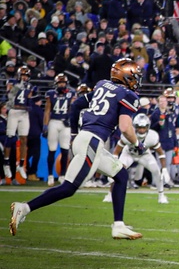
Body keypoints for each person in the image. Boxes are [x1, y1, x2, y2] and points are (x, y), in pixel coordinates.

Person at [10, 58, 145, 240]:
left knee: (121, 174)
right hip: (92, 141)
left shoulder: (103, 85)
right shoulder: (129, 95)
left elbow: (77, 104)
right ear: (127, 77)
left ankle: (119, 226)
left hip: (86, 139)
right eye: (135, 77)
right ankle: (24, 208)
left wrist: (74, 134)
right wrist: (137, 144)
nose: (137, 80)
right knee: (68, 188)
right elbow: (125, 127)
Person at [108, 112, 169, 204]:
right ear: (135, 127)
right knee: (117, 171)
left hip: (144, 155)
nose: (141, 130)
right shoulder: (127, 134)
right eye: (139, 127)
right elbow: (116, 152)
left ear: (148, 127)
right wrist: (114, 165)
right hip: (128, 153)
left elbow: (161, 153)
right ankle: (110, 194)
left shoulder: (152, 136)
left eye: (144, 127)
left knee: (157, 172)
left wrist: (164, 169)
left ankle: (161, 195)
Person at [43, 73, 76, 186]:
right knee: (52, 149)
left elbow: (72, 109)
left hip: (65, 123)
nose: (62, 85)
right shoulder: (51, 94)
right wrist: (45, 125)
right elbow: (47, 110)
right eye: (60, 83)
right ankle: (50, 175)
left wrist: (69, 120)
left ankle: (62, 175)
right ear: (56, 84)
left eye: (63, 83)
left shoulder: (71, 93)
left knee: (65, 150)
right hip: (54, 122)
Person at [5, 65, 35, 184]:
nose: (24, 77)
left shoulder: (30, 86)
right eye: (23, 75)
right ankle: (6, 162)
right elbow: (10, 97)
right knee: (10, 136)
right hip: (14, 112)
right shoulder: (12, 83)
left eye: (26, 76)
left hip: (24, 114)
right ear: (19, 75)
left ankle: (21, 164)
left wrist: (30, 103)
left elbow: (29, 100)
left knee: (24, 138)